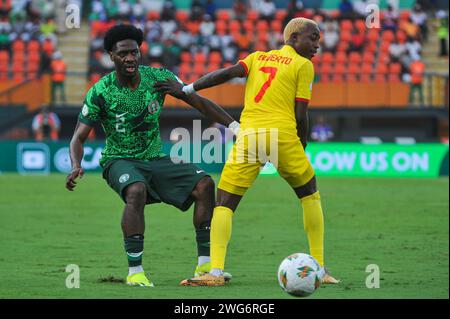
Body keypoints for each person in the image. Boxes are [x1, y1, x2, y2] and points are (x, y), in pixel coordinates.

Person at [155, 17, 340, 286]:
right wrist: (303, 142)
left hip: (250, 136)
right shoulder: (303, 65)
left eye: (318, 40)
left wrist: (189, 88)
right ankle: (319, 269)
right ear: (294, 37)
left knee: (225, 204)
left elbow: (225, 73)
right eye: (313, 38)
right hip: (282, 135)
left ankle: (215, 272)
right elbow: (301, 113)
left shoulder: (257, 58)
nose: (317, 45)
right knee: (309, 194)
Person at [66, 24, 239, 287]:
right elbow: (78, 137)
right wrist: (76, 165)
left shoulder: (158, 79)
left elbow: (200, 102)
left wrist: (235, 126)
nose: (130, 58)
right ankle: (135, 272)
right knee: (135, 190)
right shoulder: (100, 92)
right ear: (111, 56)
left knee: (205, 185)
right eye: (123, 53)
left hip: (155, 157)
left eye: (134, 52)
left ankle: (205, 266)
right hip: (119, 159)